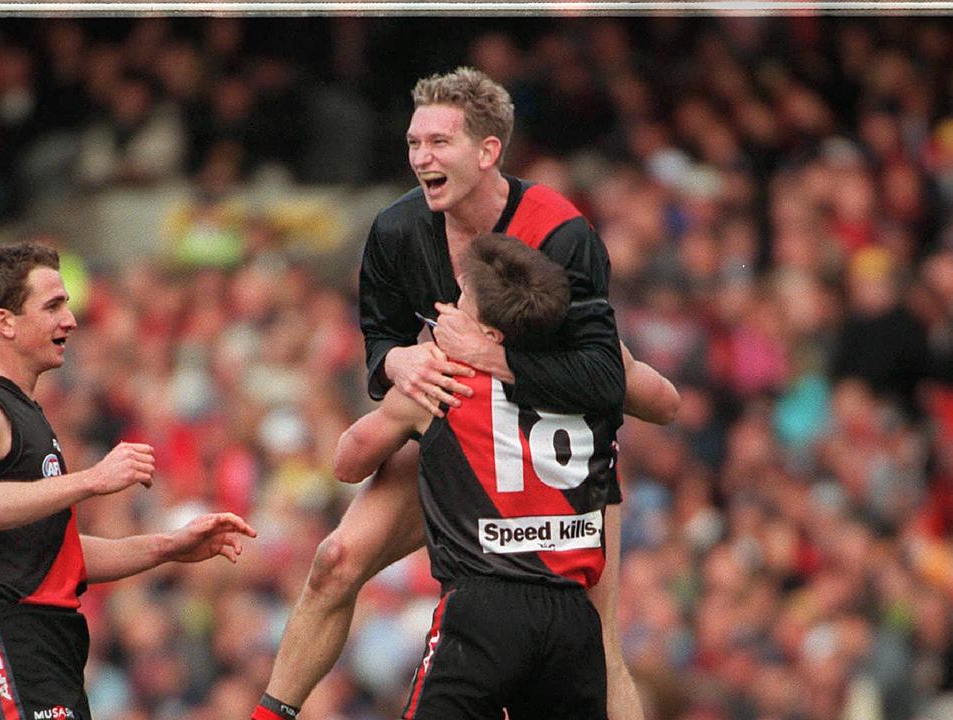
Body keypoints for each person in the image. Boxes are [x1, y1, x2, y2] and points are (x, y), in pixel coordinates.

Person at [253, 68, 677, 720]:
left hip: (549, 453)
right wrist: (399, 362)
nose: (421, 158)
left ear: (487, 151)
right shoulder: (396, 232)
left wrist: (491, 355)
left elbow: (607, 380)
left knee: (600, 638)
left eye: (438, 142)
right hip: (460, 426)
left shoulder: (560, 234)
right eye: (413, 142)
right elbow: (377, 344)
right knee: (334, 561)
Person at [0, 242, 255, 720]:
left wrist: (168, 546)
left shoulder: (24, 409)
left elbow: (57, 556)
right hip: (6, 634)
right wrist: (92, 480)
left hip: (44, 641)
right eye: (53, 305)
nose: (71, 319)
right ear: (5, 322)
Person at [335, 233, 612, 718]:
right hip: (574, 620)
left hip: (485, 609)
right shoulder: (595, 386)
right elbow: (664, 400)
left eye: (461, 300)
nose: (446, 307)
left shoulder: (444, 381)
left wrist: (404, 379)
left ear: (490, 335)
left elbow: (348, 462)